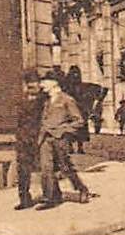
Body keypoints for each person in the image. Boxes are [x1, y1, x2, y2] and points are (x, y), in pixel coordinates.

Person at [36, 70, 92, 209]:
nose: (42, 84)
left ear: (54, 83)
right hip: (46, 138)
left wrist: (63, 130)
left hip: (60, 139)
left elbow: (79, 121)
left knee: (65, 167)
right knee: (46, 168)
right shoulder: (47, 101)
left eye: (44, 81)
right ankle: (50, 197)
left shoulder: (67, 99)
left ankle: (82, 189)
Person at [13, 70, 45, 210]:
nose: (32, 89)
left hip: (40, 139)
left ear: (39, 85)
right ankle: (24, 199)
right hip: (23, 141)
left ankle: (52, 195)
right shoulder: (22, 100)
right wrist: (19, 137)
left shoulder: (45, 100)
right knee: (23, 171)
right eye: (29, 86)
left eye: (34, 86)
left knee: (47, 169)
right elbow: (19, 122)